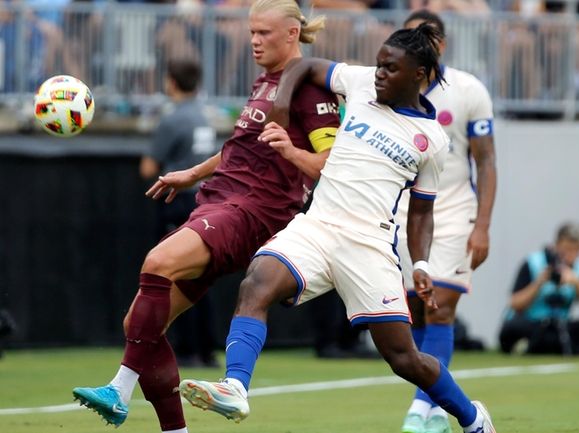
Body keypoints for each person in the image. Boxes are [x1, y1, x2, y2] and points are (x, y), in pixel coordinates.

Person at [179, 23, 496, 433]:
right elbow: (305, 66)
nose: (379, 73)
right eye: (379, 64)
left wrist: (419, 264)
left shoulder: (431, 140)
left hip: (369, 247)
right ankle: (235, 386)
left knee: (404, 359)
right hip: (318, 225)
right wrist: (281, 104)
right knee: (256, 282)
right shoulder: (361, 81)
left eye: (390, 68)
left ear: (418, 75)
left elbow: (421, 211)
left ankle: (472, 419)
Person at [72, 2, 342, 432]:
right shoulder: (267, 80)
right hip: (219, 201)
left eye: (264, 33)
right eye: (252, 32)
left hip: (253, 210)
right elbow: (243, 147)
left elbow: (330, 162)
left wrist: (291, 152)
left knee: (157, 263)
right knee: (140, 324)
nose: (254, 41)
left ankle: (119, 390)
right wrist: (192, 173)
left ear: (292, 34)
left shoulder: (311, 90)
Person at [393, 10, 497, 433]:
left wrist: (483, 225)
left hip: (455, 210)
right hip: (405, 212)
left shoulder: (469, 90)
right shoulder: (390, 87)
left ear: (443, 44)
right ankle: (439, 404)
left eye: (429, 35)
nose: (423, 41)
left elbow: (486, 160)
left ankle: (421, 409)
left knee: (442, 308)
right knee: (414, 311)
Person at [139, 57, 220, 368]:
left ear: (171, 81)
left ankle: (186, 349)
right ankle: (207, 349)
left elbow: (148, 167)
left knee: (171, 274)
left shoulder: (172, 119)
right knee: (201, 275)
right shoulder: (205, 116)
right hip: (205, 201)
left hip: (177, 199)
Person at [498, 222, 579, 356]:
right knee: (511, 329)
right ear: (556, 245)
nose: (570, 254)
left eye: (575, 249)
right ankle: (573, 348)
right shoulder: (533, 262)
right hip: (532, 323)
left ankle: (536, 347)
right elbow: (515, 303)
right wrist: (539, 283)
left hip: (560, 326)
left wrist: (576, 281)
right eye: (566, 249)